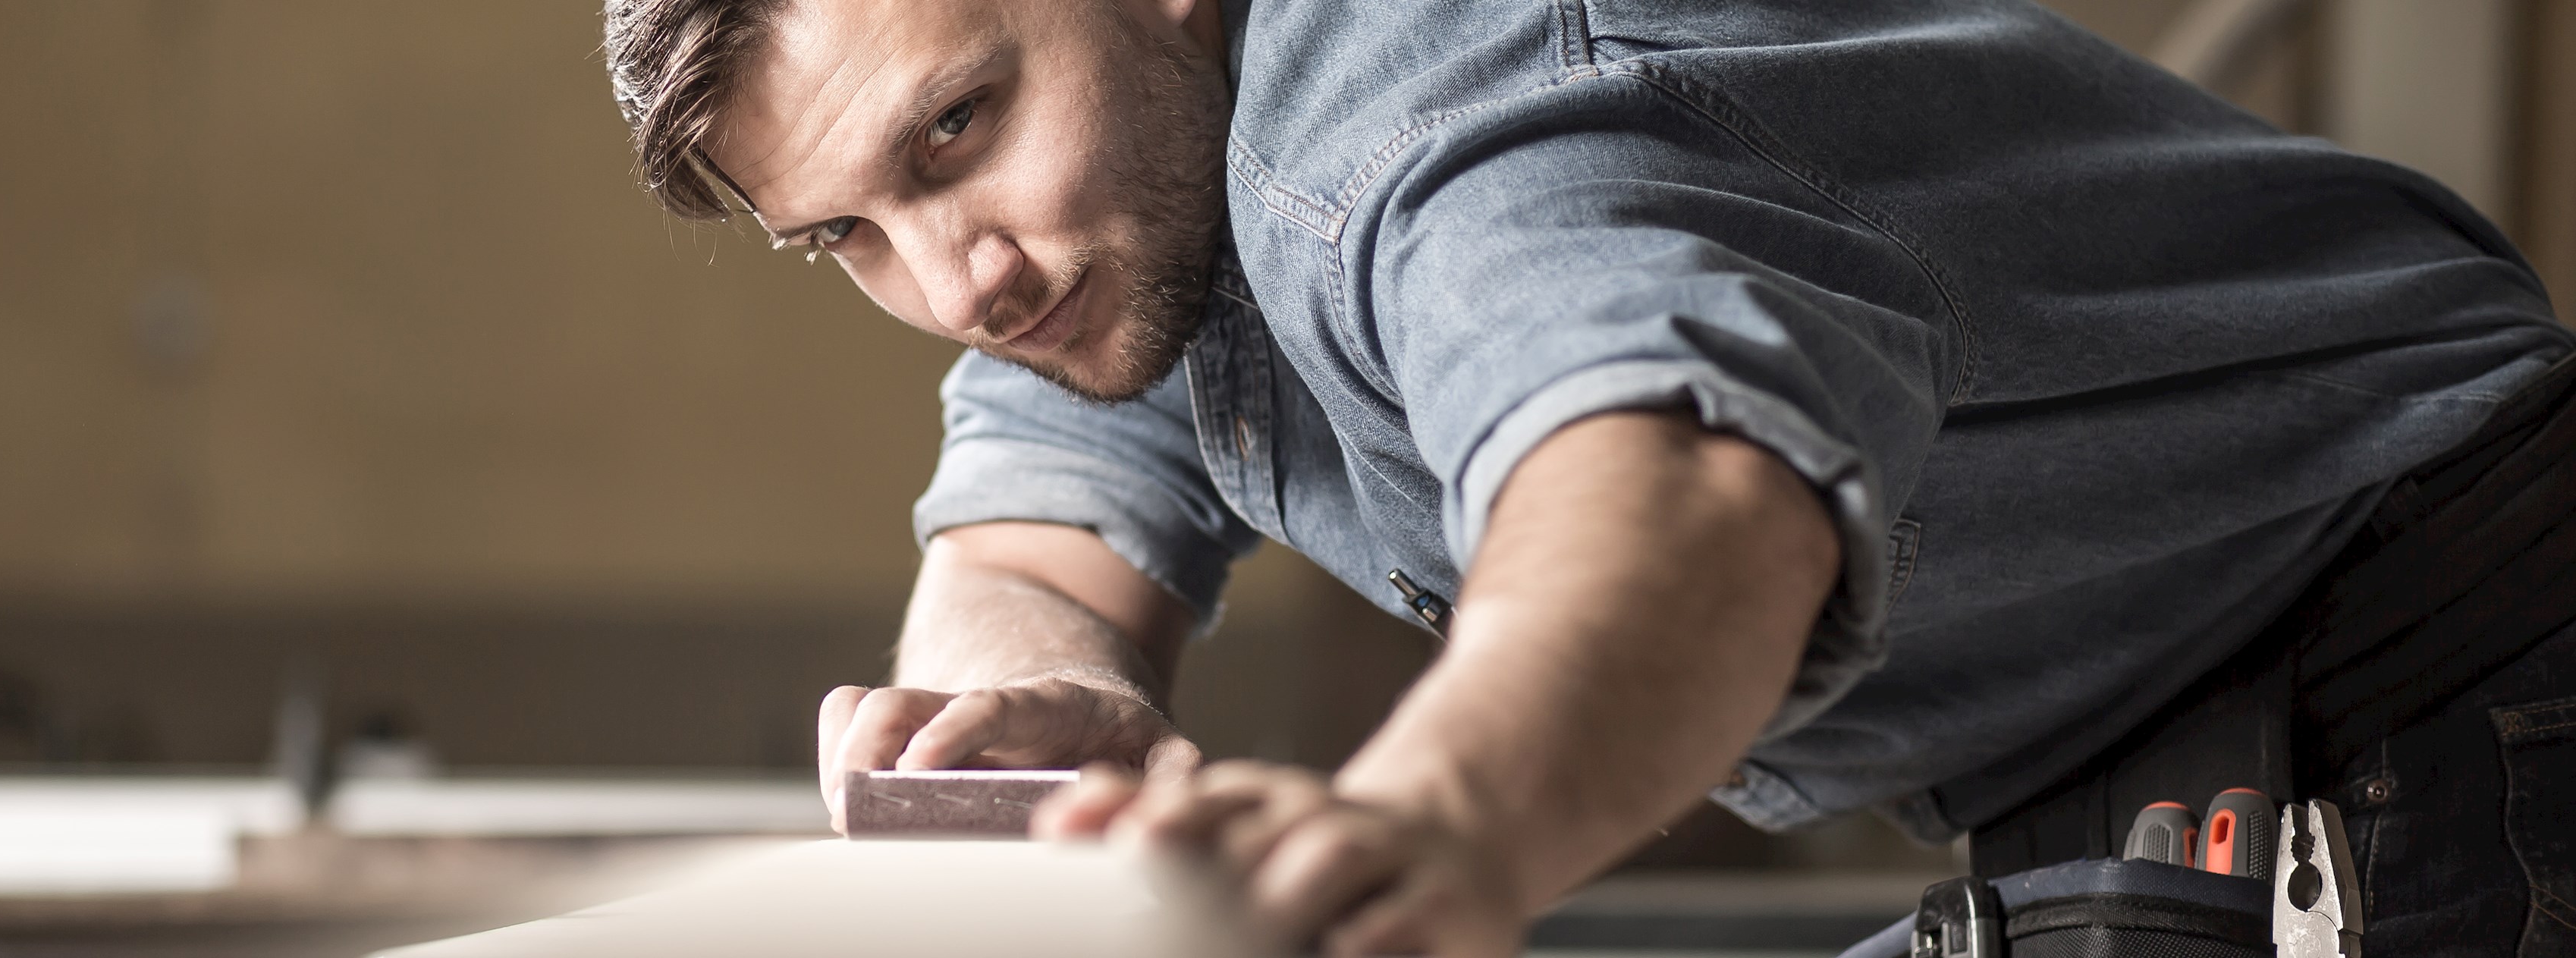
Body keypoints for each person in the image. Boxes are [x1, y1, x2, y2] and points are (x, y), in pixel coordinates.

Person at [598, 1, 2574, 955]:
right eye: (844, 235)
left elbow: (1686, 495)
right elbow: (1033, 508)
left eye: (956, 128)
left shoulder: (1449, 116)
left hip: (2469, 668)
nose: (955, 277)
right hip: (2178, 752)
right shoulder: (1130, 221)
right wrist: (1041, 707)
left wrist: (1442, 827)